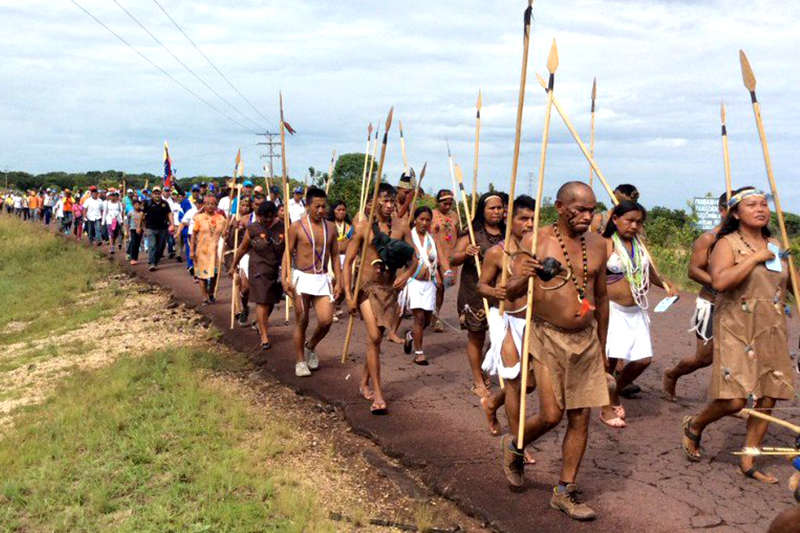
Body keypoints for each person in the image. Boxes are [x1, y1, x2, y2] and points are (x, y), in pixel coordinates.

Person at [502, 181, 610, 521]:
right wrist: (528, 275)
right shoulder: (534, 241)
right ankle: (514, 444)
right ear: (561, 207)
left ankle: (565, 490)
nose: (587, 216)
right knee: (551, 415)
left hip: (586, 339)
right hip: (546, 336)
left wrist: (603, 349)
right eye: (579, 209)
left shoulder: (599, 244)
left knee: (581, 417)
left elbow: (602, 297)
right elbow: (510, 292)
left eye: (592, 210)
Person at [681, 188, 794, 484]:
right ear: (735, 213)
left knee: (770, 394)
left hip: (771, 325)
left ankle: (749, 458)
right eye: (752, 205)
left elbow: (789, 285)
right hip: (735, 325)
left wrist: (788, 265)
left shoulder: (775, 243)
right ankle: (695, 424)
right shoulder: (726, 244)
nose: (760, 209)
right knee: (734, 400)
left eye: (763, 204)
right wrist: (756, 257)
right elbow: (720, 281)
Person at [599, 201, 676, 428]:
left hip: (637, 310)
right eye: (629, 220)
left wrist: (666, 285)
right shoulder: (605, 244)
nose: (634, 226)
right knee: (609, 362)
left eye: (638, 222)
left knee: (643, 360)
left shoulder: (639, 246)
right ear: (615, 219)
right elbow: (592, 275)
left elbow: (650, 273)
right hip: (613, 310)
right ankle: (606, 407)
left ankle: (616, 391)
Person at [344, 183, 412, 413]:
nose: (388, 204)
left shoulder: (401, 227)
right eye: (384, 200)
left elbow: (414, 261)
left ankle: (364, 382)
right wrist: (347, 294)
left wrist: (405, 277)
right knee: (373, 337)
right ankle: (379, 396)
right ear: (374, 203)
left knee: (377, 341)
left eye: (392, 200)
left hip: (388, 292)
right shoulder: (364, 229)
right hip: (366, 289)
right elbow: (347, 262)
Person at [477, 195, 537, 443]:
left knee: (530, 384)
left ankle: (492, 403)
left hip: (535, 322)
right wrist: (494, 292)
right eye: (523, 218)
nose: (530, 224)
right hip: (507, 320)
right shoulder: (496, 253)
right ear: (509, 220)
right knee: (514, 382)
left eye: (534, 218)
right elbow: (482, 286)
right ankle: (517, 443)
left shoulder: (540, 250)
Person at [662, 191, 730, 401]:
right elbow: (693, 271)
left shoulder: (749, 241)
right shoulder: (710, 238)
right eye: (735, 209)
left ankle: (729, 400)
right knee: (704, 357)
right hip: (710, 304)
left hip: (738, 307)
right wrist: (719, 282)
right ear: (722, 210)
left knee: (739, 354)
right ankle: (672, 374)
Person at [450, 191, 505, 397]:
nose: (496, 212)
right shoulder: (472, 233)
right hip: (474, 292)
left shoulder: (507, 234)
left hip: (499, 292)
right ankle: (477, 379)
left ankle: (486, 364)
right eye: (492, 208)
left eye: (499, 208)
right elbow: (453, 258)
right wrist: (466, 253)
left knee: (499, 335)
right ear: (483, 210)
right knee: (476, 335)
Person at [284, 187, 342, 377]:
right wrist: (285, 277)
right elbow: (287, 252)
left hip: (322, 278)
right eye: (317, 206)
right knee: (302, 319)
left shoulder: (331, 228)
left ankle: (310, 346)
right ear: (307, 206)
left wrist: (339, 282)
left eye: (323, 207)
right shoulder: (296, 227)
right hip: (302, 277)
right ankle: (300, 361)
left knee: (326, 320)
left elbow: (335, 256)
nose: (320, 210)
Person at [230, 201, 285, 349]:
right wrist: (233, 265)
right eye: (263, 217)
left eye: (269, 217)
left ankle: (259, 322)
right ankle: (264, 336)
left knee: (271, 301)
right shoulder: (253, 229)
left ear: (274, 215)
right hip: (258, 269)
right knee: (262, 301)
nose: (266, 220)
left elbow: (289, 249)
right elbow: (242, 248)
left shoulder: (283, 228)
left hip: (276, 269)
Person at [395, 206, 444, 365]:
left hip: (429, 284)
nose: (424, 222)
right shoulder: (409, 237)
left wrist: (440, 278)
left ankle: (411, 336)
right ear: (415, 220)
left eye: (427, 220)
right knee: (419, 317)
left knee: (427, 321)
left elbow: (436, 262)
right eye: (421, 219)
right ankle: (419, 353)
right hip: (414, 282)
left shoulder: (432, 239)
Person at [431, 189, 459, 332]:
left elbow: (458, 234)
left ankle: (435, 316)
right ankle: (429, 314)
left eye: (450, 204)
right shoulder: (431, 215)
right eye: (444, 204)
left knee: (442, 289)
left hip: (449, 258)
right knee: (438, 286)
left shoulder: (455, 216)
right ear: (438, 202)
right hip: (434, 257)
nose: (447, 207)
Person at [190, 195, 226, 304]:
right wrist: (192, 250)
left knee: (215, 274)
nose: (210, 206)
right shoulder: (199, 218)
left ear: (216, 205)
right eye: (208, 204)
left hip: (215, 251)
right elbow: (193, 234)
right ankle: (204, 296)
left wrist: (226, 233)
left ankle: (211, 292)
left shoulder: (221, 218)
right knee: (202, 275)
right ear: (204, 205)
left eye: (213, 204)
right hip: (202, 250)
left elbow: (224, 234)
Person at [329, 200, 354, 322]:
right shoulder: (329, 225)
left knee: (345, 286)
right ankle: (332, 308)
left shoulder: (349, 227)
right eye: (339, 210)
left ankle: (337, 302)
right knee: (333, 283)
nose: (341, 212)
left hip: (346, 258)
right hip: (332, 258)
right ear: (333, 211)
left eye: (343, 210)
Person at [142, 187, 174, 271]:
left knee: (160, 246)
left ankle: (155, 261)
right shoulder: (147, 203)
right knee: (152, 245)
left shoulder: (165, 203)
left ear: (161, 194)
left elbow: (169, 213)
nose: (157, 195)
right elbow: (142, 214)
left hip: (162, 228)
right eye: (155, 193)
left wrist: (172, 224)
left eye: (158, 193)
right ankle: (151, 263)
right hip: (150, 228)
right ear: (152, 194)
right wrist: (139, 226)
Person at [102, 190, 124, 254]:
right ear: (109, 197)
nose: (113, 197)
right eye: (111, 196)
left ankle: (113, 245)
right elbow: (105, 212)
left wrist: (121, 220)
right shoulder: (107, 203)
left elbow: (121, 212)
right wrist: (103, 221)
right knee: (111, 234)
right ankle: (111, 247)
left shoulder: (119, 204)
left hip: (117, 221)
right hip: (109, 220)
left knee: (115, 234)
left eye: (114, 196)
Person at [126, 199, 144, 265]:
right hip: (133, 229)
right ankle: (133, 258)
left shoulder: (142, 212)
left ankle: (135, 257)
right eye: (136, 205)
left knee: (137, 244)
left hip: (140, 229)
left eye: (138, 204)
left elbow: (144, 221)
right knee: (133, 242)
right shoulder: (130, 212)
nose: (137, 206)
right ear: (133, 205)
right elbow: (127, 222)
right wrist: (127, 231)